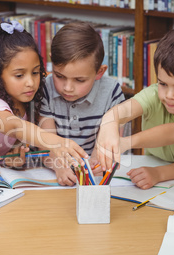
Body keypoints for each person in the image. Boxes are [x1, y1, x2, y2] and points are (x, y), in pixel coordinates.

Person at [0, 21, 88, 170]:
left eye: (35, 72)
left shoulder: (23, 102)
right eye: (19, 75)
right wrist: (57, 142)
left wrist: (10, 159)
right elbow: (14, 126)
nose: (30, 82)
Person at [96, 24, 174, 190]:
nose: (169, 95)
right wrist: (109, 122)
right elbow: (121, 112)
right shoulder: (154, 94)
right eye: (163, 83)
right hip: (151, 170)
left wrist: (159, 173)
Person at [39, 22, 125, 185]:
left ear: (99, 72)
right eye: (59, 76)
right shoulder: (46, 88)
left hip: (94, 177)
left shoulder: (112, 92)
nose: (67, 88)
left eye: (79, 80)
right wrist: (59, 166)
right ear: (52, 62)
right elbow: (46, 142)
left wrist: (97, 159)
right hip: (53, 173)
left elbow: (111, 143)